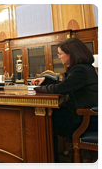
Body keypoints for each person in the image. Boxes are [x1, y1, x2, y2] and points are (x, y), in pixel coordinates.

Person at [31, 38, 100, 169]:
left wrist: (36, 89)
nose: (59, 57)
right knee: (49, 117)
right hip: (86, 113)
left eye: (60, 53)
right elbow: (65, 85)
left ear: (71, 53)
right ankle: (54, 159)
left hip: (88, 119)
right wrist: (45, 80)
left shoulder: (79, 70)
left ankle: (50, 163)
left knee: (45, 121)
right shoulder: (83, 68)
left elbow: (59, 89)